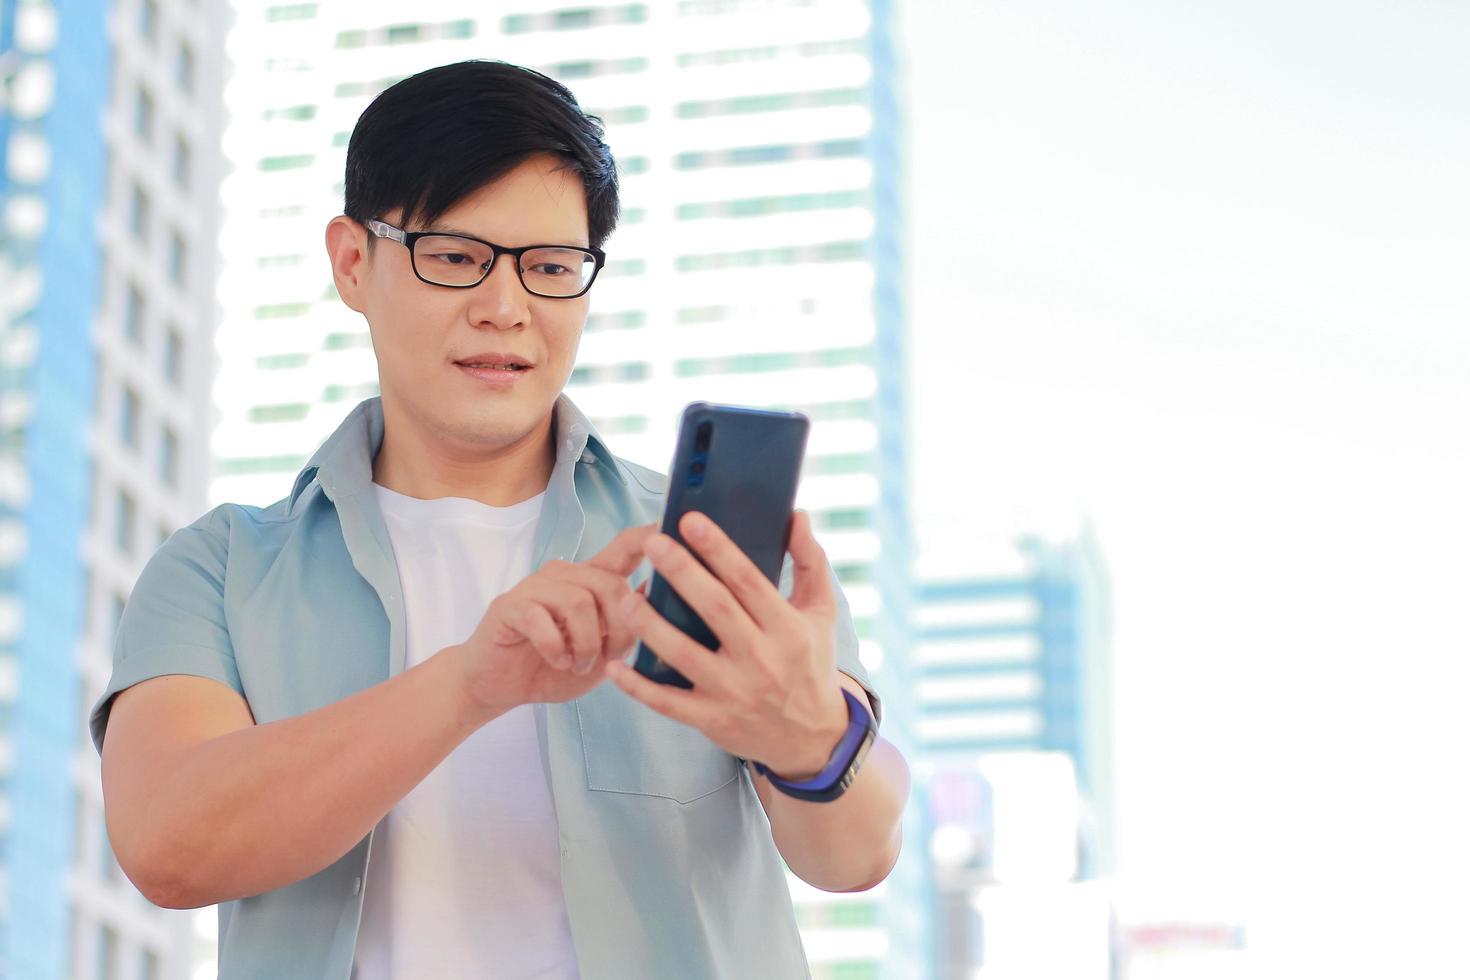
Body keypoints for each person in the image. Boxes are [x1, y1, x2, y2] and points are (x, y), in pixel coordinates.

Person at [89, 60, 910, 979]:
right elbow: (167, 844)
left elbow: (858, 854)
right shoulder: (221, 568)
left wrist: (807, 736)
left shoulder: (705, 551)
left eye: (551, 267)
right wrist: (470, 685)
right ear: (353, 262)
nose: (506, 308)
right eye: (454, 257)